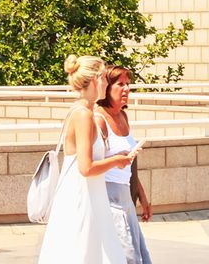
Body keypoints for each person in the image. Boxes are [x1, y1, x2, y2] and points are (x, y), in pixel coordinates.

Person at [37, 55, 141, 264]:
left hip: (91, 195)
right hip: (82, 197)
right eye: (103, 78)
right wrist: (117, 161)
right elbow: (86, 167)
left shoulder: (84, 112)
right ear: (94, 80)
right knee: (83, 253)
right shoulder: (83, 115)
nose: (105, 84)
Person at [96, 66, 153, 264]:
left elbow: (128, 164)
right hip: (108, 200)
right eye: (120, 84)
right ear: (106, 88)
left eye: (128, 84)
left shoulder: (123, 116)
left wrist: (142, 197)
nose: (126, 89)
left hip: (126, 198)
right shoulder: (99, 119)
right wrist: (116, 161)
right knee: (126, 257)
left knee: (136, 256)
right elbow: (91, 164)